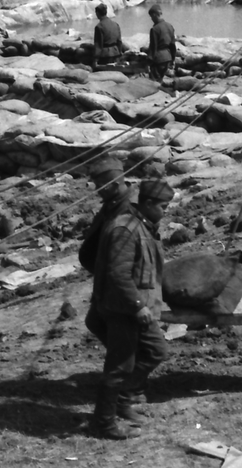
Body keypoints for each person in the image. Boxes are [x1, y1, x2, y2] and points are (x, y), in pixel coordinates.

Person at [89, 178, 174, 439]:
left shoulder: (143, 226)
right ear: (148, 203)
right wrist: (137, 306)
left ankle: (123, 401)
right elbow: (118, 274)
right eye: (163, 206)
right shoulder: (125, 230)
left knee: (156, 351)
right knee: (119, 368)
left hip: (138, 309)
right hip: (123, 310)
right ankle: (104, 424)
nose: (166, 212)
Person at [146, 6, 176, 81]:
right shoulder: (169, 26)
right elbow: (173, 45)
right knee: (161, 80)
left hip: (158, 59)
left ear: (155, 15)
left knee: (154, 82)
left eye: (151, 16)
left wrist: (148, 62)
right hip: (167, 58)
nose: (151, 19)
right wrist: (173, 59)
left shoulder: (154, 29)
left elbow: (153, 47)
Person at [92, 3, 124, 69]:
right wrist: (120, 53)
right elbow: (119, 41)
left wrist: (95, 60)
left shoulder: (99, 27)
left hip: (105, 55)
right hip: (116, 54)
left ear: (97, 13)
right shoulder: (115, 24)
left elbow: (98, 45)